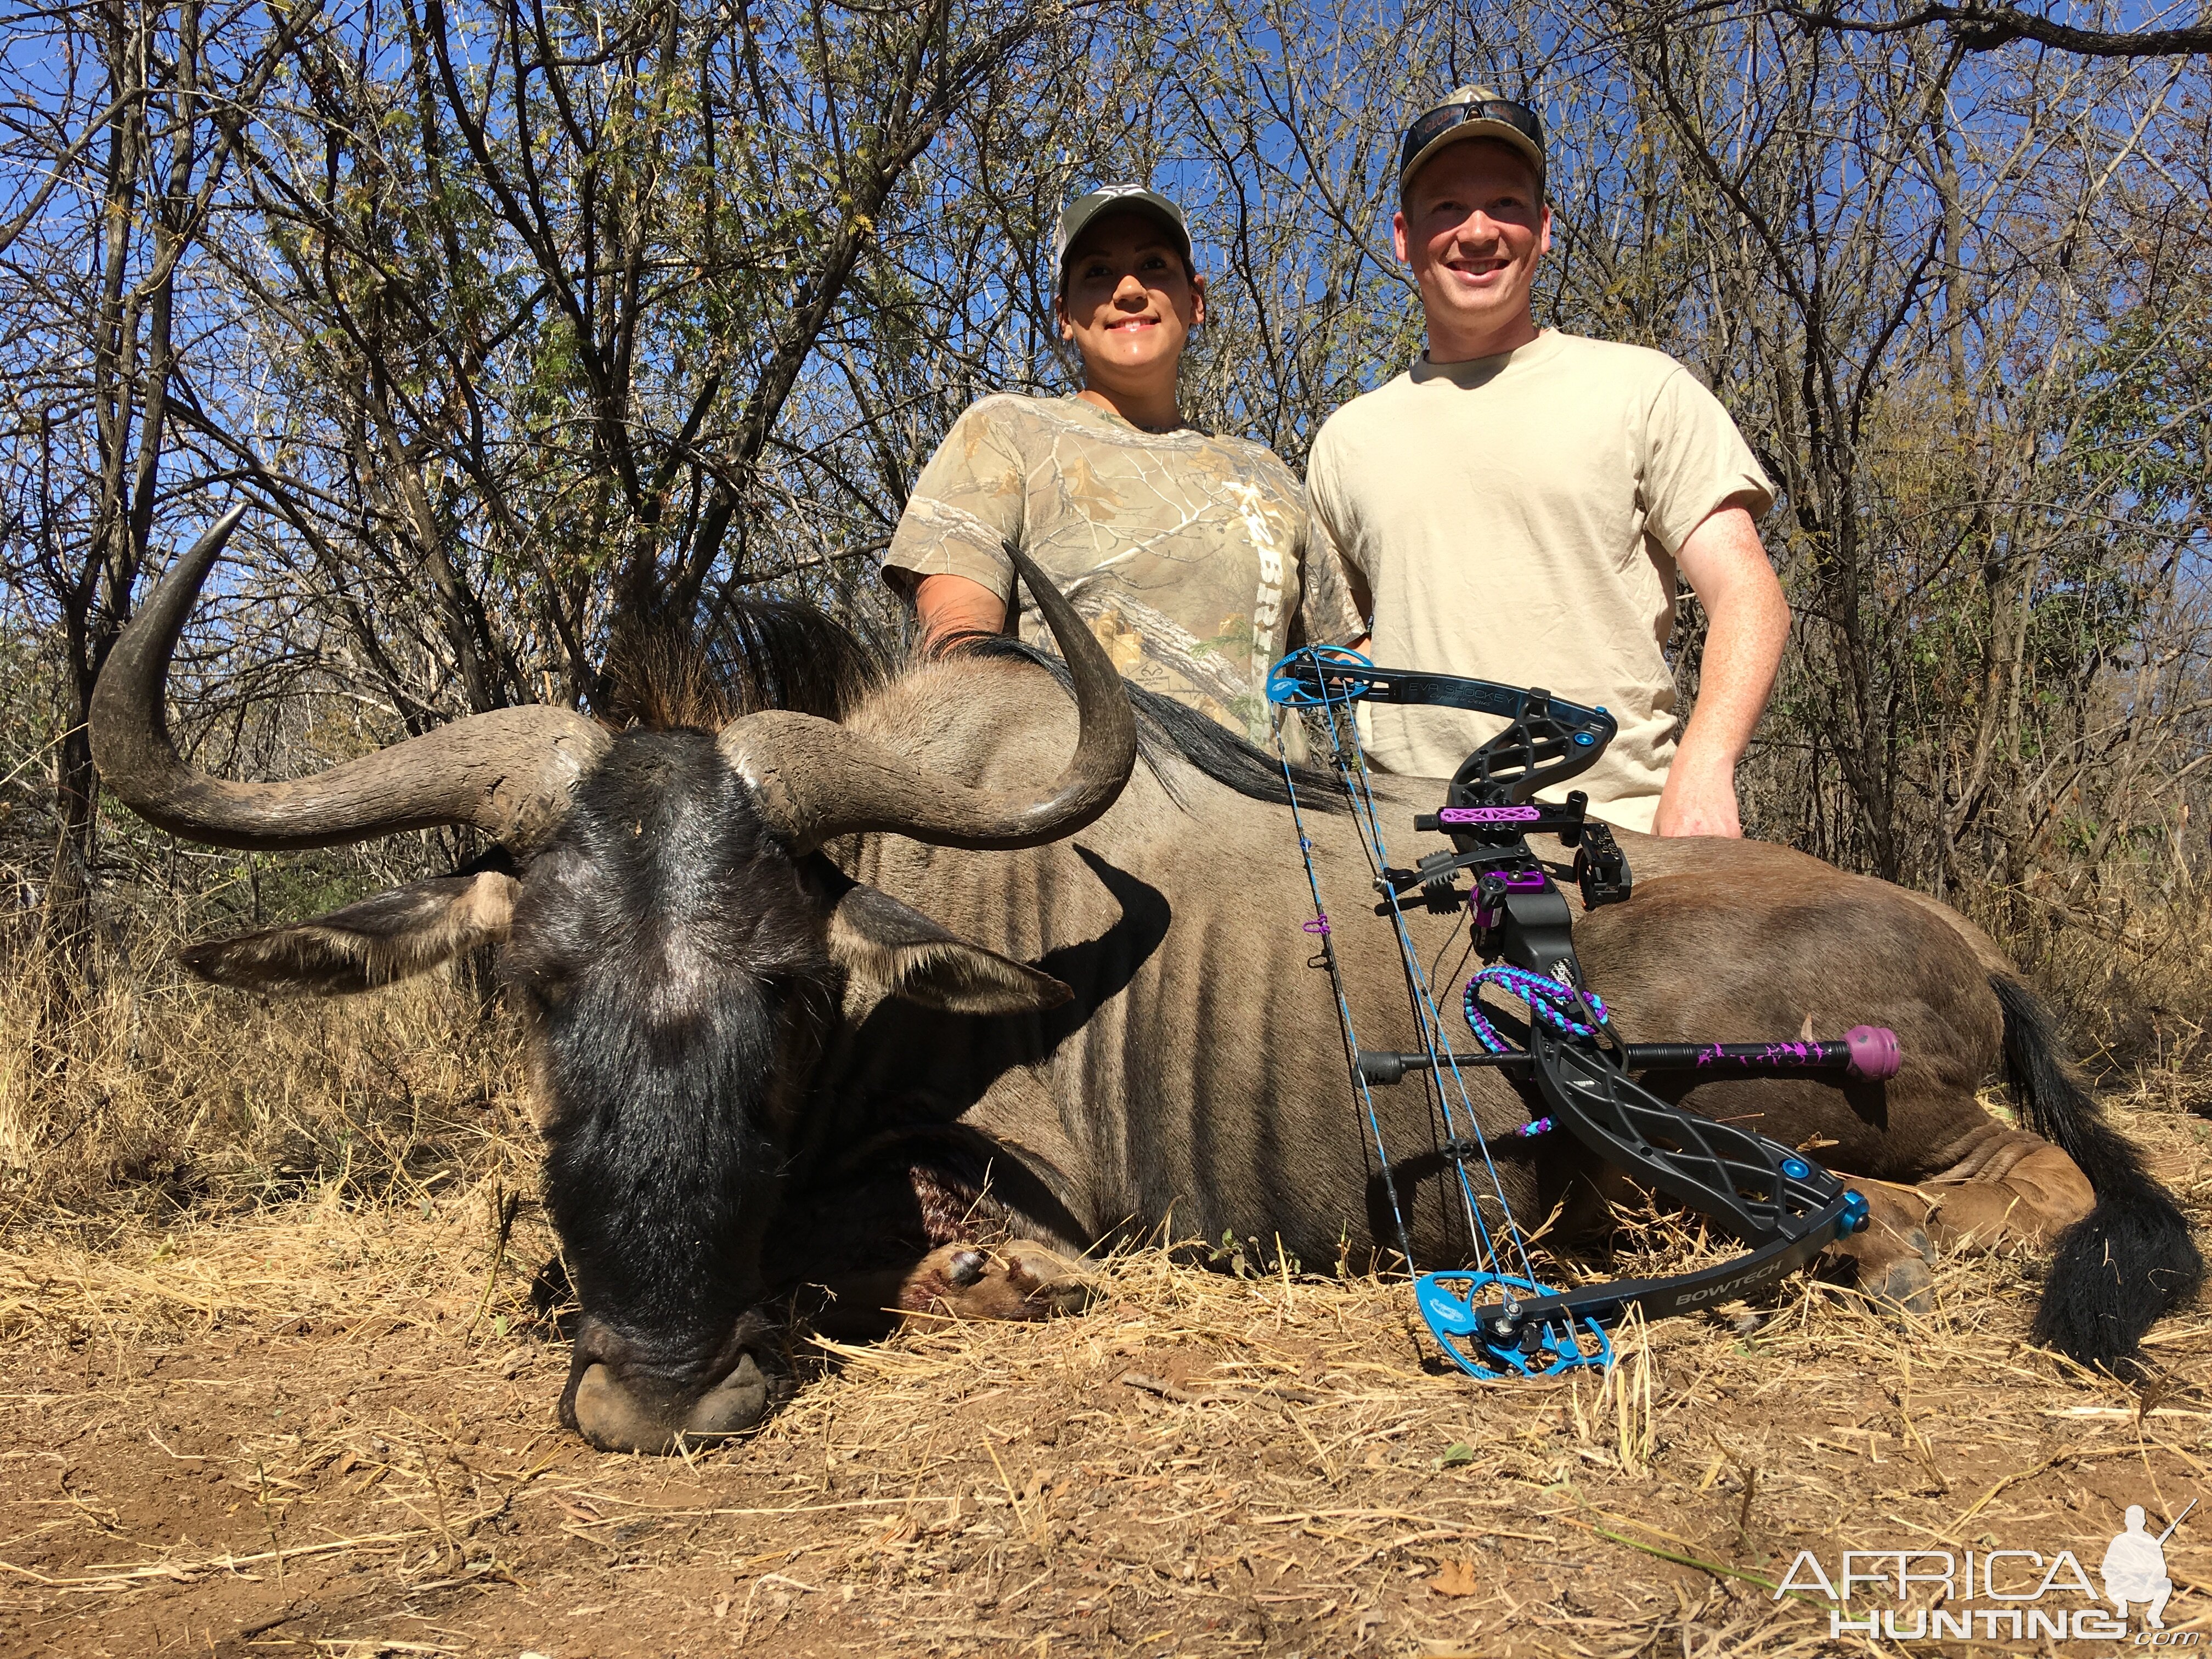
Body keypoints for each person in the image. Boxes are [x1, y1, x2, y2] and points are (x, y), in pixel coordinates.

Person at [1304, 87, 1791, 836]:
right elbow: (1344, 646)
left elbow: (1747, 592)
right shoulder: (1346, 439)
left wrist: (1705, 767)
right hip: (1413, 859)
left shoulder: (1643, 388)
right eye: (1445, 209)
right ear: (1404, 238)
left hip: (1619, 843)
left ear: (1543, 229)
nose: (1477, 232)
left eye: (1505, 204)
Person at [882, 185, 1341, 747]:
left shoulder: (1264, 472)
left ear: (1196, 301)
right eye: (1098, 273)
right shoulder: (1005, 431)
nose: (1128, 291)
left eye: (1154, 266)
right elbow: (955, 660)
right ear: (1065, 317)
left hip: (1276, 826)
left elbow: (1354, 669)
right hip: (1085, 821)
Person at [2101, 1505, 2174, 1628]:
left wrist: (2151, 1575)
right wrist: (2121, 1575)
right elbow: (2106, 1568)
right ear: (2126, 1522)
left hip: (2145, 1588)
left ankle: (2154, 1615)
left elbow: (2162, 1568)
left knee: (2166, 1584)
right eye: (2131, 1520)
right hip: (2122, 1589)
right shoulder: (2119, 1541)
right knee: (2110, 1584)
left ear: (2143, 1522)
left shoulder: (2151, 1541)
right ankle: (2122, 1607)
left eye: (2138, 1519)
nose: (2134, 1523)